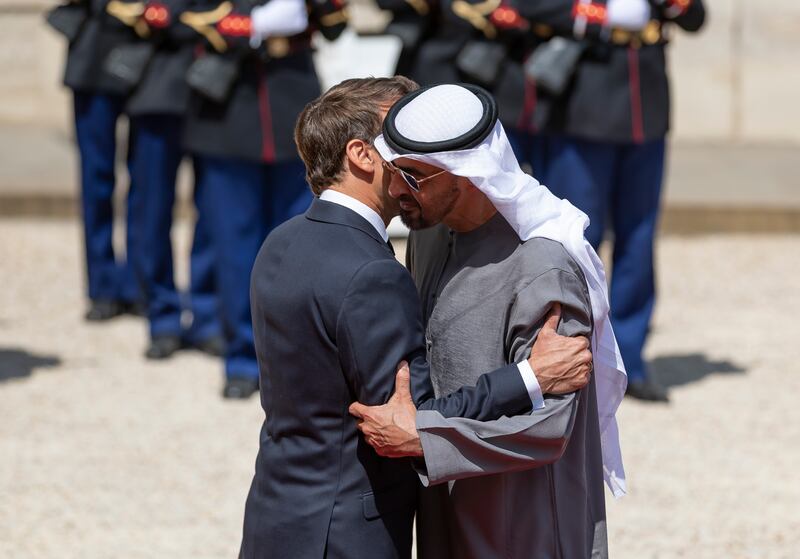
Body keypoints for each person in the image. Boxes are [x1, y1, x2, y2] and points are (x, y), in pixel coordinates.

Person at [239, 77, 593, 558]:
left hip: (278, 518)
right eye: (399, 138)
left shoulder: (281, 241)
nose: (412, 141)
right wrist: (529, 377)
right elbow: (404, 419)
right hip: (342, 533)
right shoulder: (374, 267)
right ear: (364, 155)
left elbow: (552, 427)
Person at [350, 83, 627, 557]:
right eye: (394, 172)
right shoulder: (430, 236)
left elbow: (551, 425)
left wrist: (425, 439)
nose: (396, 191)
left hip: (524, 522)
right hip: (443, 505)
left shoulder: (542, 269)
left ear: (468, 174)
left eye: (413, 177)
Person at [510, 0, 707, 401]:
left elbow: (695, 18)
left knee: (639, 237)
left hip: (645, 103)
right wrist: (596, 15)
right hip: (584, 102)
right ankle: (562, 354)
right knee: (573, 240)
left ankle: (629, 360)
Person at [180, 0, 348, 398]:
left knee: (300, 247)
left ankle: (298, 357)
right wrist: (251, 24)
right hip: (229, 112)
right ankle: (242, 356)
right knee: (235, 247)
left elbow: (335, 24)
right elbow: (182, 18)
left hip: (292, 100)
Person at [106, 0, 224, 359]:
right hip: (157, 92)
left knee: (215, 212)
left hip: (214, 92)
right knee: (151, 212)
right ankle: (162, 316)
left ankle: (207, 316)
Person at [49, 0, 143, 320]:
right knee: (96, 179)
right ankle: (103, 286)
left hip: (151, 53)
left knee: (146, 181)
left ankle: (138, 282)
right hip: (94, 51)